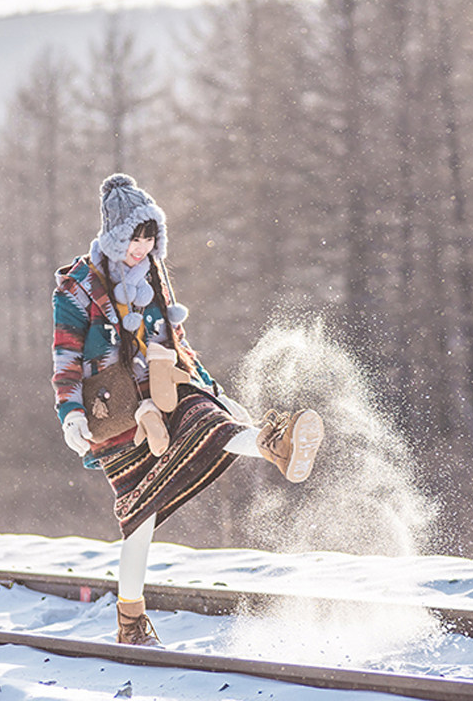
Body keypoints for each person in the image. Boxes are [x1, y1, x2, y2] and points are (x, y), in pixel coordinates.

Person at [51, 173, 324, 646]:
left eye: (149, 235)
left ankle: (274, 443)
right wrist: (70, 414)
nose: (141, 247)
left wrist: (214, 389)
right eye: (133, 238)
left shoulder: (155, 275)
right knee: (140, 515)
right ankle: (130, 621)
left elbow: (177, 344)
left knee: (208, 418)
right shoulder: (77, 289)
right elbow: (66, 358)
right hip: (116, 415)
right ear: (113, 237)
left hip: (167, 388)